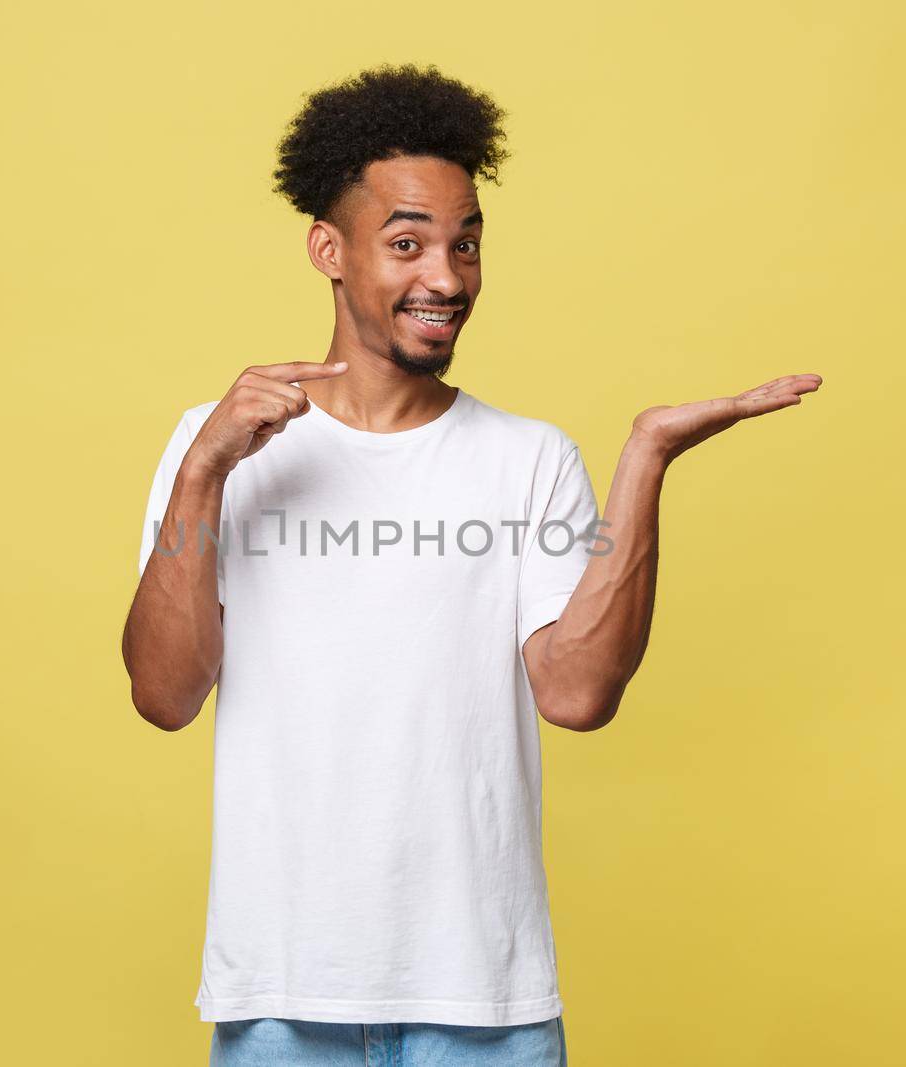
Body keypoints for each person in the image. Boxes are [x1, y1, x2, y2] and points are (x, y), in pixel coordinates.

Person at [123, 63, 822, 1066]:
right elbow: (163, 690)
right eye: (406, 243)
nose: (444, 278)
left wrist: (645, 459)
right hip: (281, 991)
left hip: (483, 1001)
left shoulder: (526, 457)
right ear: (329, 247)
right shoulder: (216, 443)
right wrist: (202, 476)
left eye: (465, 244)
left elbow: (577, 692)